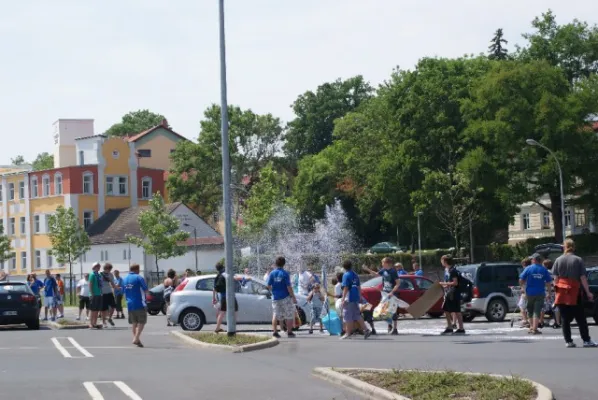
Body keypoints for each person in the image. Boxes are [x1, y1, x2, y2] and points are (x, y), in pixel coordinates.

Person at [552, 239, 597, 348]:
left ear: (564, 247)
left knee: (564, 319)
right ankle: (586, 340)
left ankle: (568, 341)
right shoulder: (578, 260)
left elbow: (555, 279)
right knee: (581, 318)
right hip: (574, 291)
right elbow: (583, 278)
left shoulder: (558, 260)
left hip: (562, 292)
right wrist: (588, 292)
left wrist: (555, 293)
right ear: (573, 247)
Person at [363, 258, 400, 334]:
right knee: (384, 311)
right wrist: (367, 269)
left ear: (387, 263)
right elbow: (376, 274)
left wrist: (392, 292)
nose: (382, 264)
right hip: (385, 293)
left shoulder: (393, 271)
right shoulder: (383, 270)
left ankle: (395, 329)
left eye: (382, 262)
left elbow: (398, 283)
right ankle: (390, 326)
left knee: (393, 311)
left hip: (392, 294)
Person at [519, 253, 552, 335]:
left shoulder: (528, 268)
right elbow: (548, 282)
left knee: (530, 310)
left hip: (529, 293)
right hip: (540, 293)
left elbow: (521, 279)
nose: (531, 260)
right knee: (537, 311)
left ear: (534, 260)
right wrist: (549, 292)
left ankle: (531, 327)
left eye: (531, 259)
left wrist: (522, 288)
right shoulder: (543, 269)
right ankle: (534, 328)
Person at [267, 256, 297, 338]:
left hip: (275, 297)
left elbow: (268, 285)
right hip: (285, 297)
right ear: (284, 264)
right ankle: (289, 332)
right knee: (289, 315)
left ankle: (275, 332)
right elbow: (289, 287)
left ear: (275, 263)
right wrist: (293, 297)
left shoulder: (272, 273)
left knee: (275, 314)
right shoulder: (285, 273)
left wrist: (274, 290)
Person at [341, 260, 371, 340]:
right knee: (357, 315)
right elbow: (358, 286)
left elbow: (346, 287)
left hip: (349, 298)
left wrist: (343, 298)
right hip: (355, 297)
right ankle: (366, 329)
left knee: (347, 316)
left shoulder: (346, 275)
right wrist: (360, 296)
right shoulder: (355, 274)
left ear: (344, 267)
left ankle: (348, 333)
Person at [123, 264, 148, 347]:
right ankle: (136, 338)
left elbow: (123, 291)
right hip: (139, 302)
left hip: (129, 303)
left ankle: (137, 340)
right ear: (137, 269)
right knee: (142, 321)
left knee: (134, 323)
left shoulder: (125, 279)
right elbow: (145, 289)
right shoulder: (139, 277)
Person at [439, 255, 465, 335]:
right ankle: (451, 327)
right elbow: (450, 282)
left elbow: (455, 283)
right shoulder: (447, 270)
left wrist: (444, 283)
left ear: (445, 261)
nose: (441, 262)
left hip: (454, 293)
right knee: (447, 309)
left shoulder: (452, 271)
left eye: (442, 260)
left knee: (456, 311)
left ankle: (460, 328)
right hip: (450, 293)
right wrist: (445, 285)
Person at [212, 262, 238, 333]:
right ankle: (232, 327)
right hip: (230, 296)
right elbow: (233, 278)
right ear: (223, 267)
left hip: (222, 297)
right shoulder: (224, 274)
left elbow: (214, 288)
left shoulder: (217, 276)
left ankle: (217, 328)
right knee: (235, 311)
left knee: (222, 312)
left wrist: (213, 298)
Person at [518, 258, 532, 328]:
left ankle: (525, 320)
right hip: (532, 290)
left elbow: (521, 280)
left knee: (521, 305)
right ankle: (529, 321)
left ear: (524, 264)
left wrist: (522, 288)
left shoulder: (525, 271)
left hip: (526, 291)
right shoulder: (532, 270)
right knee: (529, 307)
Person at [88, 263, 103, 329]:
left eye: (99, 266)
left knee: (97, 310)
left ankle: (95, 323)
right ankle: (91, 323)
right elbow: (90, 284)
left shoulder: (99, 275)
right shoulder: (92, 274)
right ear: (94, 267)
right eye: (97, 266)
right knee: (93, 310)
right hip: (94, 294)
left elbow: (100, 284)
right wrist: (91, 293)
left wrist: (101, 292)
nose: (98, 267)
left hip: (99, 293)